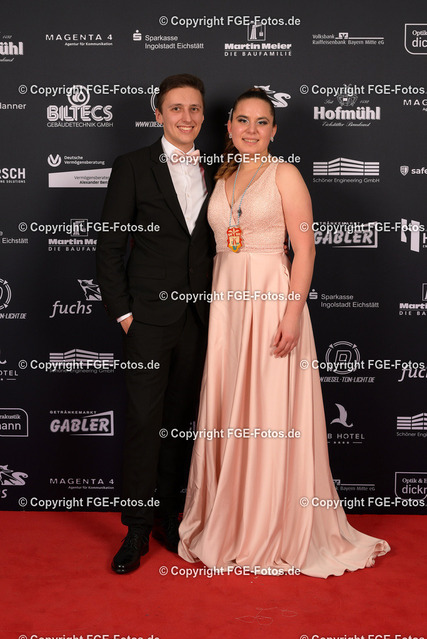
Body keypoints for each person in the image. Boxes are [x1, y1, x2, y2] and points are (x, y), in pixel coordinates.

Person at [178, 88, 390, 578]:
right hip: (228, 307)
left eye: (262, 122)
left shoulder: (285, 174)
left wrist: (292, 315)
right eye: (243, 120)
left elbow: (305, 249)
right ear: (229, 127)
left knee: (270, 409)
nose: (251, 130)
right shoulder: (222, 174)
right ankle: (231, 521)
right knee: (232, 405)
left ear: (274, 130)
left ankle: (270, 525)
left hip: (272, 301)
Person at [96, 73, 214, 574]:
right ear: (159, 113)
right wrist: (125, 314)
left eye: (194, 108)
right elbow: (109, 246)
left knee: (179, 423)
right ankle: (137, 528)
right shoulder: (132, 166)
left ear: (203, 115)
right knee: (145, 423)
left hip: (200, 318)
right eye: (177, 108)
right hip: (147, 319)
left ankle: (169, 515)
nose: (187, 117)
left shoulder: (219, 169)